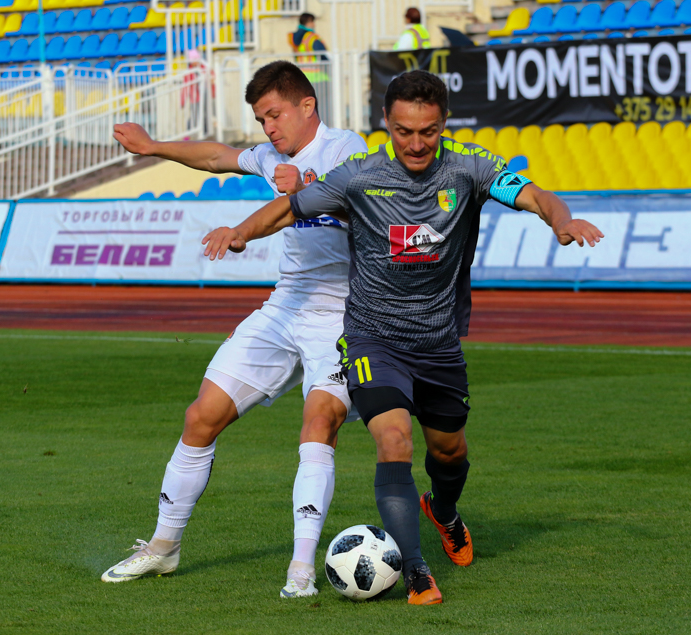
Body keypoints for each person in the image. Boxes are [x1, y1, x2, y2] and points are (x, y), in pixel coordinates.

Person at [199, 71, 604, 605]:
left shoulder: (470, 167)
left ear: (444, 124)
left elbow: (535, 195)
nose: (416, 144)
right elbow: (289, 208)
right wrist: (240, 232)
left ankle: (444, 509)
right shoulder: (359, 174)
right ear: (387, 124)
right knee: (393, 440)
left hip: (437, 342)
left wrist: (561, 220)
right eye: (404, 131)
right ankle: (415, 571)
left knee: (449, 451)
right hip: (373, 338)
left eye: (429, 131)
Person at [102, 61, 368, 599]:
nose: (268, 128)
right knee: (201, 416)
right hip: (285, 305)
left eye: (275, 115)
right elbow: (215, 157)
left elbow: (351, 201)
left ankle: (300, 569)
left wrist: (304, 188)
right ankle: (163, 546)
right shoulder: (271, 155)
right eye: (261, 119)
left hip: (344, 313)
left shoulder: (346, 147)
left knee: (319, 424)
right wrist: (153, 147)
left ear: (307, 106)